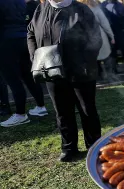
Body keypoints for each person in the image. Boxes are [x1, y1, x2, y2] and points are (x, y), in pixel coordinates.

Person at [27, 0, 102, 162]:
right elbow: (31, 33)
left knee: (87, 110)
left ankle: (94, 146)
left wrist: (85, 62)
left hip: (81, 71)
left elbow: (95, 38)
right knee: (62, 111)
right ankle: (69, 147)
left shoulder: (81, 9)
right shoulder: (40, 10)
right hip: (51, 71)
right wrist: (36, 58)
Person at [0, 0, 48, 127]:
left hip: (6, 41)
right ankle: (40, 106)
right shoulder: (20, 1)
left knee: (13, 80)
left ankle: (21, 114)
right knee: (28, 76)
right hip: (23, 38)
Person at [78, 0, 116, 80]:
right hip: (99, 34)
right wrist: (111, 36)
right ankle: (109, 75)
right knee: (106, 56)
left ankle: (98, 75)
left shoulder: (77, 9)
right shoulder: (96, 8)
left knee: (93, 58)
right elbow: (105, 23)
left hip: (86, 37)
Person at [102, 0, 124, 72]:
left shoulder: (120, 5)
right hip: (109, 31)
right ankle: (113, 68)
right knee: (112, 50)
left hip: (119, 30)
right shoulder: (103, 5)